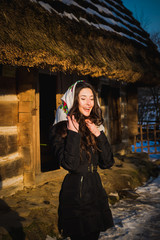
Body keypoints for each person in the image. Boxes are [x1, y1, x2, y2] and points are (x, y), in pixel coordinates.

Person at [50, 80, 114, 240]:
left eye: (91, 98)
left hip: (95, 189)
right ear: (74, 100)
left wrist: (99, 135)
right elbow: (70, 165)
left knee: (94, 235)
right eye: (83, 98)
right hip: (76, 192)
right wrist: (73, 134)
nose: (89, 103)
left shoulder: (93, 125)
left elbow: (107, 163)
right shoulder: (61, 128)